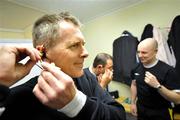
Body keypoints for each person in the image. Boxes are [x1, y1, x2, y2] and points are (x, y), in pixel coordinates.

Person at [0, 12, 126, 120]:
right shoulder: (21, 97)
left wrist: (77, 103)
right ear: (43, 52)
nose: (86, 53)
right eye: (74, 45)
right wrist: (1, 82)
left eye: (83, 44)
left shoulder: (88, 78)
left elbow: (119, 115)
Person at [130, 38, 180, 120]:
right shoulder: (136, 68)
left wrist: (157, 86)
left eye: (144, 52)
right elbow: (134, 84)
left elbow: (178, 100)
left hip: (159, 112)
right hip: (141, 109)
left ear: (155, 52)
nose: (140, 55)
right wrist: (133, 103)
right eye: (138, 52)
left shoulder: (168, 70)